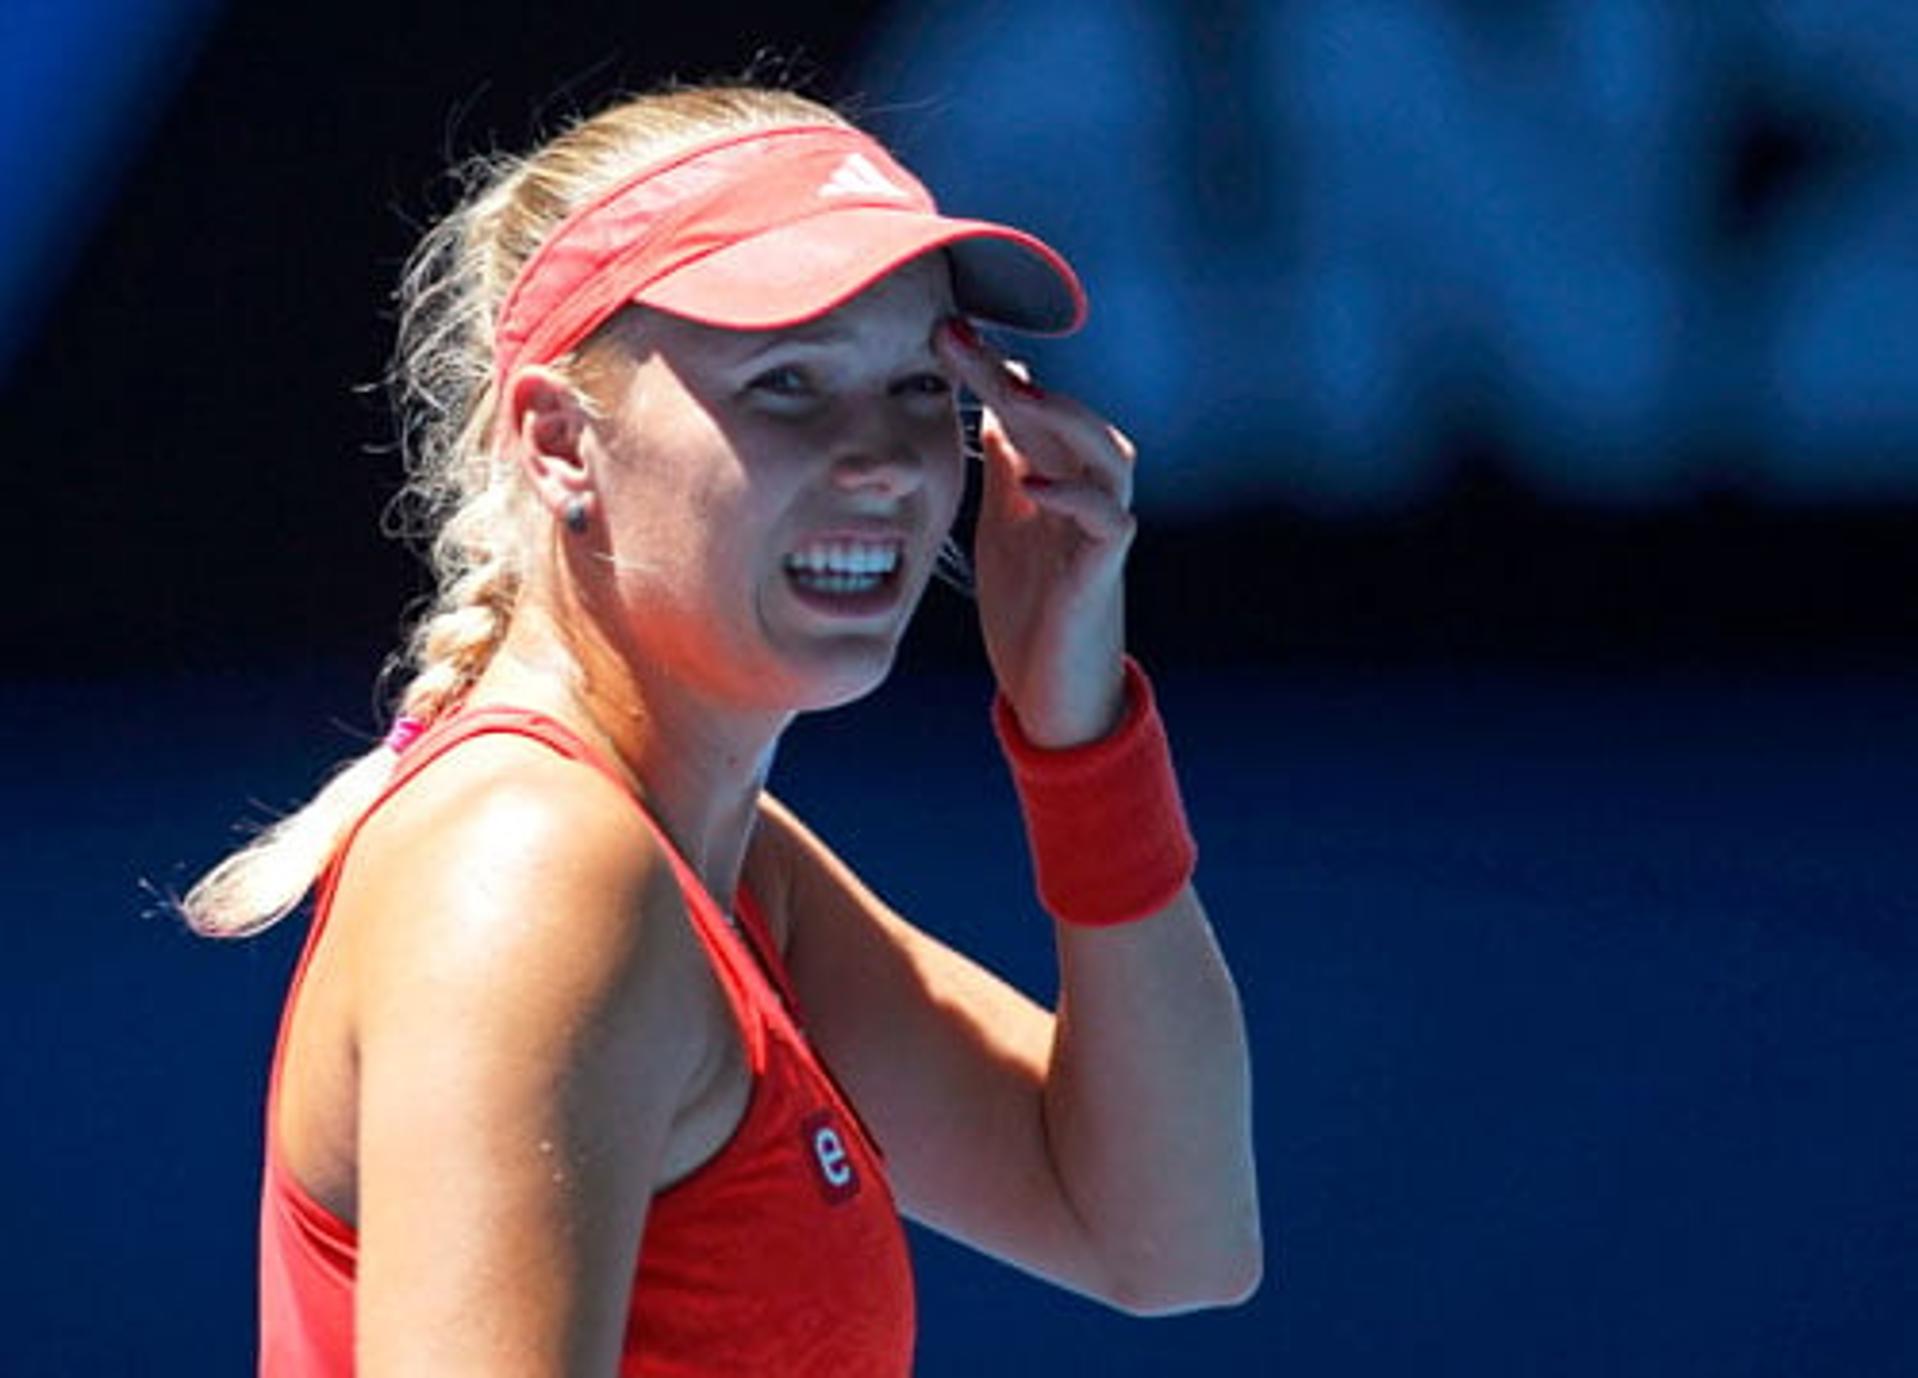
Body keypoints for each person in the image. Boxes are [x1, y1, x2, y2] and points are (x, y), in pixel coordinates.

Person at [184, 82, 1260, 1376]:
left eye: (921, 384)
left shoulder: (714, 866)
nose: (888, 461)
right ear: (561, 441)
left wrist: (1076, 731)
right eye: (789, 380)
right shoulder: (539, 869)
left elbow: (1171, 1239)